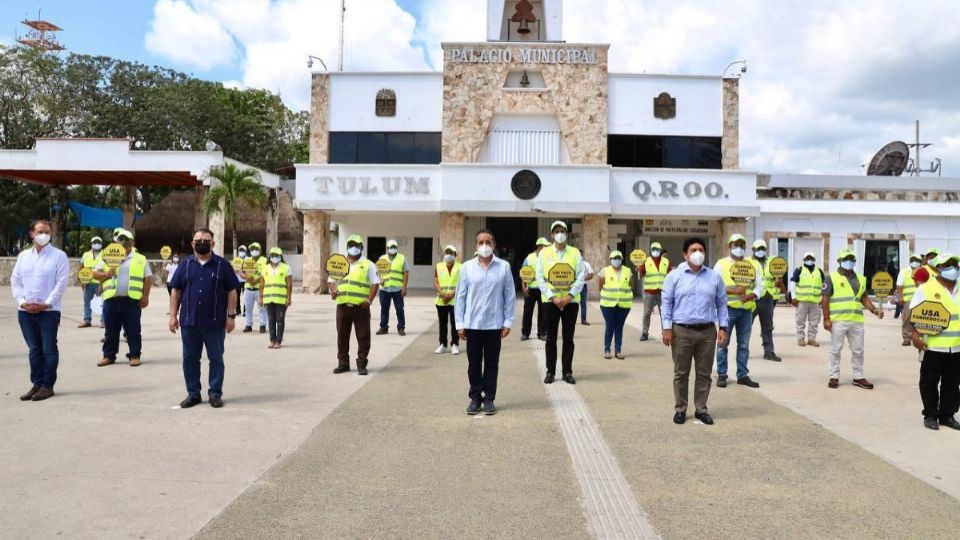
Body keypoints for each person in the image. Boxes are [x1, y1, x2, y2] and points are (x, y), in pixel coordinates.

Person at [168, 228, 239, 408]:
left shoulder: (223, 265)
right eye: (198, 240)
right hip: (189, 321)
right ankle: (193, 393)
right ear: (192, 243)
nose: (201, 243)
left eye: (205, 240)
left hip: (214, 322)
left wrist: (231, 316)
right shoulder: (185, 264)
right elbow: (175, 290)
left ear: (213, 243)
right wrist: (173, 316)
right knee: (190, 358)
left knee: (216, 358)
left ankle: (215, 393)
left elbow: (232, 290)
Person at [661, 237, 727, 425]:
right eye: (693, 250)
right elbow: (667, 303)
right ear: (685, 254)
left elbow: (722, 304)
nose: (697, 253)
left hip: (707, 332)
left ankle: (701, 408)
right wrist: (667, 328)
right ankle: (680, 409)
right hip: (681, 331)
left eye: (700, 249)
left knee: (704, 373)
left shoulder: (714, 277)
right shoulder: (674, 276)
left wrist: (723, 327)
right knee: (681, 372)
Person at [455, 230, 516, 415]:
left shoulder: (504, 267)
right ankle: (475, 398)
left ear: (494, 244)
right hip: (472, 324)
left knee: (491, 363)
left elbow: (510, 296)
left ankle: (489, 398)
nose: (484, 245)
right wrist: (459, 323)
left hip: (494, 324)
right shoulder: (467, 267)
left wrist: (507, 322)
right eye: (481, 242)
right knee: (473, 364)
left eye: (488, 242)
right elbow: (461, 297)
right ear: (476, 246)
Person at [11, 220, 69, 401]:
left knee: (49, 349)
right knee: (34, 349)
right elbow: (16, 281)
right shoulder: (23, 257)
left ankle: (47, 385)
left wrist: (47, 303)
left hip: (49, 312)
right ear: (32, 234)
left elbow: (61, 283)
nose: (44, 235)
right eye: (40, 231)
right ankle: (36, 383)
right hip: (25, 311)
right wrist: (22, 301)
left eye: (47, 232)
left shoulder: (59, 256)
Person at [908, 253, 960, 431]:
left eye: (954, 264)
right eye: (947, 265)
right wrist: (915, 336)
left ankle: (947, 415)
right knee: (929, 382)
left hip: (957, 347)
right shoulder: (926, 288)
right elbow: (916, 314)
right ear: (938, 268)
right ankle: (930, 415)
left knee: (952, 383)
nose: (952, 268)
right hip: (933, 345)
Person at [822, 247, 884, 389]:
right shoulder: (830, 278)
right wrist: (826, 318)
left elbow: (864, 298)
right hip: (838, 320)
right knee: (835, 349)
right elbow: (825, 299)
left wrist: (874, 310)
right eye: (845, 259)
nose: (848, 262)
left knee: (858, 350)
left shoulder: (860, 279)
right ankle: (833, 376)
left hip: (856, 320)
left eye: (851, 259)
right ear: (839, 261)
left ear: (855, 261)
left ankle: (858, 376)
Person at [536, 220, 586, 384]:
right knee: (551, 338)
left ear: (567, 233)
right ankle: (550, 371)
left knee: (568, 339)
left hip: (570, 302)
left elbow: (581, 276)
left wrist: (570, 295)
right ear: (552, 234)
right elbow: (540, 278)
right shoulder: (544, 253)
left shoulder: (574, 253)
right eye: (557, 231)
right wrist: (553, 297)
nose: (560, 234)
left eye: (562, 230)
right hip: (551, 302)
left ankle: (567, 372)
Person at [93, 228, 151, 367]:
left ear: (132, 242)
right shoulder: (106, 256)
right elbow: (95, 274)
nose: (123, 242)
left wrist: (145, 297)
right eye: (120, 239)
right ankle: (109, 356)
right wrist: (107, 274)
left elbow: (148, 278)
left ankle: (135, 355)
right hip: (111, 299)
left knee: (133, 329)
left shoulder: (140, 258)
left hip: (131, 299)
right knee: (111, 330)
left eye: (126, 240)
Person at [714, 233, 765, 388]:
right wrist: (732, 291)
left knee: (744, 345)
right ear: (729, 246)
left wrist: (751, 295)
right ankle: (722, 374)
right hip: (727, 310)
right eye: (735, 245)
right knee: (723, 343)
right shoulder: (721, 264)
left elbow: (761, 285)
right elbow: (714, 286)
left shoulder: (753, 265)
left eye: (742, 245)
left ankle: (742, 375)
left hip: (746, 310)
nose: (739, 248)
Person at [329, 235, 380, 375]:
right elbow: (331, 280)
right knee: (342, 336)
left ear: (362, 247)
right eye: (351, 244)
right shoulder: (340, 262)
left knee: (363, 337)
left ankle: (362, 364)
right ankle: (343, 363)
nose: (354, 247)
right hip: (343, 306)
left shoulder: (369, 264)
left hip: (361, 308)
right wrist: (333, 291)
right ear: (347, 246)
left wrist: (369, 301)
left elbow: (375, 283)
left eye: (357, 245)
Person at [751, 239, 785, 362]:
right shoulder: (747, 262)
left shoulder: (772, 261)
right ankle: (743, 351)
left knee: (767, 327)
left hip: (767, 297)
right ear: (753, 250)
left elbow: (778, 277)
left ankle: (769, 352)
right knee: (746, 326)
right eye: (758, 249)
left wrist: (780, 283)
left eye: (763, 249)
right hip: (753, 298)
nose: (761, 251)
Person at [597, 250, 633, 359]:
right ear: (610, 260)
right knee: (610, 326)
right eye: (613, 258)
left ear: (621, 259)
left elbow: (630, 285)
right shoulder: (605, 271)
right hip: (607, 304)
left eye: (618, 258)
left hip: (623, 304)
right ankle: (607, 350)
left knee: (619, 327)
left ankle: (618, 351)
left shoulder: (628, 271)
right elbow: (600, 285)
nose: (616, 260)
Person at [638, 241, 672, 341]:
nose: (655, 251)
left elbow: (670, 277)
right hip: (649, 291)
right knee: (647, 313)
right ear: (650, 251)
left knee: (664, 313)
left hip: (663, 292)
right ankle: (644, 333)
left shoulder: (666, 262)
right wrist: (639, 270)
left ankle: (665, 332)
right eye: (653, 249)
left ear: (660, 251)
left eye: (657, 250)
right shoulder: (646, 261)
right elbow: (641, 275)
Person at [789, 252, 824, 347]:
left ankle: (812, 339)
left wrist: (822, 298)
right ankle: (800, 338)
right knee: (800, 320)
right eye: (807, 258)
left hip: (815, 301)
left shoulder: (819, 271)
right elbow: (793, 283)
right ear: (804, 260)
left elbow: (823, 286)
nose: (809, 260)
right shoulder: (799, 270)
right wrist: (793, 297)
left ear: (814, 260)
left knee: (814, 321)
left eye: (811, 258)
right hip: (802, 300)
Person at [260, 247, 292, 349]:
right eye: (273, 255)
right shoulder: (265, 268)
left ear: (280, 256)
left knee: (280, 321)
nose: (275, 257)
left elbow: (289, 284)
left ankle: (278, 341)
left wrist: (288, 298)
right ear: (270, 256)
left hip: (281, 300)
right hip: (268, 299)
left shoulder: (286, 267)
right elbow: (261, 284)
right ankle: (272, 340)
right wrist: (261, 298)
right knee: (271, 320)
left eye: (277, 255)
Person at [376, 239, 409, 336]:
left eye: (394, 247)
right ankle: (383, 327)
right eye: (391, 247)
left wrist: (404, 287)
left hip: (397, 289)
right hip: (384, 289)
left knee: (399, 309)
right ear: (387, 248)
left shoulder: (402, 258)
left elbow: (406, 272)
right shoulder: (382, 258)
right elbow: (378, 272)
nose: (393, 249)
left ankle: (401, 327)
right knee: (384, 309)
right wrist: (380, 279)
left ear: (397, 248)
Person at [434, 245, 462, 355]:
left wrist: (451, 295)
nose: (449, 255)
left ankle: (454, 344)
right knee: (442, 323)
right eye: (447, 253)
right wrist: (443, 294)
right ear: (444, 254)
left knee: (455, 323)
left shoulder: (461, 267)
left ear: (455, 255)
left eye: (451, 253)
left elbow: (462, 283)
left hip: (455, 300)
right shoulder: (439, 266)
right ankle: (443, 344)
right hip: (442, 300)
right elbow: (436, 282)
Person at [520, 237, 550, 341]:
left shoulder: (548, 257)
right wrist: (523, 287)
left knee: (543, 312)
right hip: (531, 289)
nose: (547, 248)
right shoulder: (529, 257)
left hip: (543, 289)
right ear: (539, 246)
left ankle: (542, 333)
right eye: (545, 246)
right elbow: (523, 272)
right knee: (528, 312)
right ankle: (525, 333)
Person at [896, 253, 923, 346]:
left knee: (921, 319)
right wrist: (900, 297)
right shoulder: (904, 271)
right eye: (913, 259)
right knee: (907, 319)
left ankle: (919, 337)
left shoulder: (923, 271)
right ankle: (907, 338)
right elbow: (899, 285)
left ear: (920, 262)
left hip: (921, 299)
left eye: (917, 260)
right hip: (908, 300)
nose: (915, 262)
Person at [241, 242, 267, 333]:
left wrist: (256, 280)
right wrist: (247, 277)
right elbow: (241, 272)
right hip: (248, 288)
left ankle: (262, 325)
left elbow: (266, 274)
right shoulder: (247, 260)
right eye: (252, 249)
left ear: (260, 250)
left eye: (256, 249)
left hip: (259, 288)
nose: (254, 251)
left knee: (262, 308)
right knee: (248, 308)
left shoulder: (265, 260)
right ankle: (248, 325)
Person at [79, 236, 103, 328]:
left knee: (101, 302)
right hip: (88, 283)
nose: (96, 244)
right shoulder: (86, 254)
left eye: (98, 242)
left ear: (101, 244)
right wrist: (81, 280)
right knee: (87, 302)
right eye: (94, 242)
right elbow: (81, 267)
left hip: (100, 282)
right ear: (91, 244)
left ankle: (103, 321)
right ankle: (87, 320)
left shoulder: (105, 254)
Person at [580, 260, 594, 325]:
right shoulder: (571, 262)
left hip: (583, 285)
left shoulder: (586, 264)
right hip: (572, 286)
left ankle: (584, 320)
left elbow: (591, 275)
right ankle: (570, 320)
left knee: (583, 304)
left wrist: (582, 279)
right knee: (572, 304)